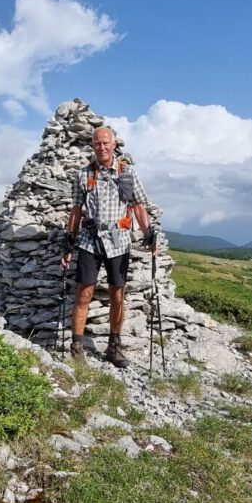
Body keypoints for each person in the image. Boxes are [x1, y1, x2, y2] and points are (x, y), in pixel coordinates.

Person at [60, 126, 157, 367]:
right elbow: (76, 209)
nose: (101, 147)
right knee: (83, 294)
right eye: (96, 144)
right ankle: (77, 347)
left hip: (119, 241)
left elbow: (138, 205)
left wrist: (149, 235)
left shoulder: (127, 173)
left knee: (117, 295)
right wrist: (69, 241)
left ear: (114, 145)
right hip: (90, 241)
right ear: (92, 146)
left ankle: (114, 347)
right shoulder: (84, 174)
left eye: (105, 143)